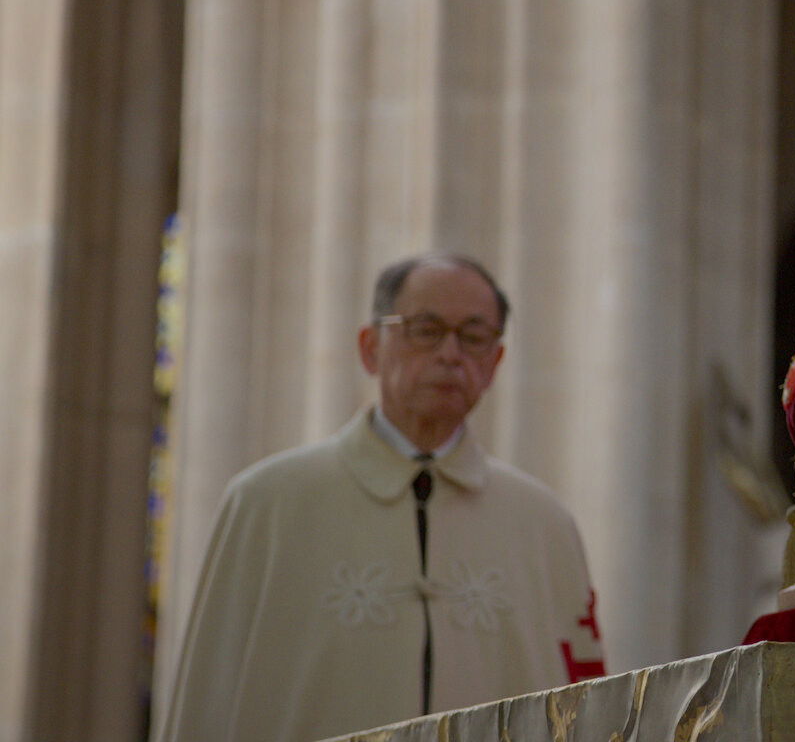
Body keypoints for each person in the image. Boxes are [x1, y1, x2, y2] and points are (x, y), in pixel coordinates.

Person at [157, 252, 606, 742]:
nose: (450, 354)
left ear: (495, 361)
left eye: (474, 337)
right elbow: (211, 699)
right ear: (370, 347)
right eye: (426, 330)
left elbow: (584, 708)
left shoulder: (544, 525)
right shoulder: (266, 504)